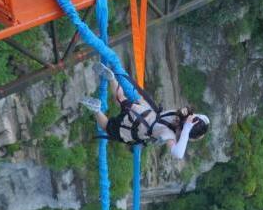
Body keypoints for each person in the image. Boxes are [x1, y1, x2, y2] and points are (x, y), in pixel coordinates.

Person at [80, 63, 210, 159]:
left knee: (120, 98)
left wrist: (189, 124)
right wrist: (186, 130)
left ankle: (112, 79)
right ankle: (96, 110)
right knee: (107, 127)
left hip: (144, 111)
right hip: (136, 127)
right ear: (188, 136)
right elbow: (178, 154)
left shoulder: (179, 114)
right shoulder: (170, 136)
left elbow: (203, 118)